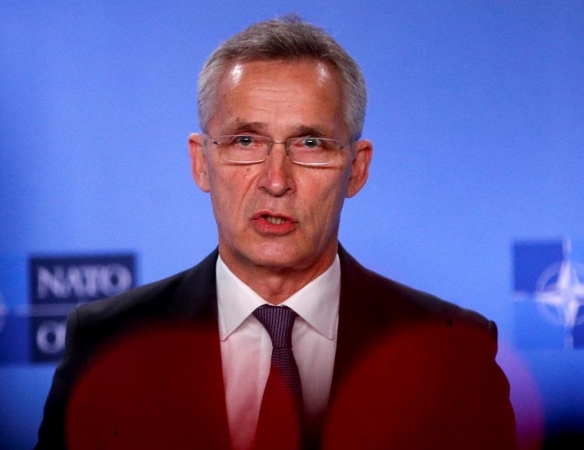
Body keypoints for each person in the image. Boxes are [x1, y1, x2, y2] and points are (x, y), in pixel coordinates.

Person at [36, 15, 517, 450]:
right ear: (201, 162)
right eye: (246, 141)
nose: (276, 180)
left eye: (310, 143)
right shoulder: (106, 345)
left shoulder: (454, 355)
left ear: (357, 169)